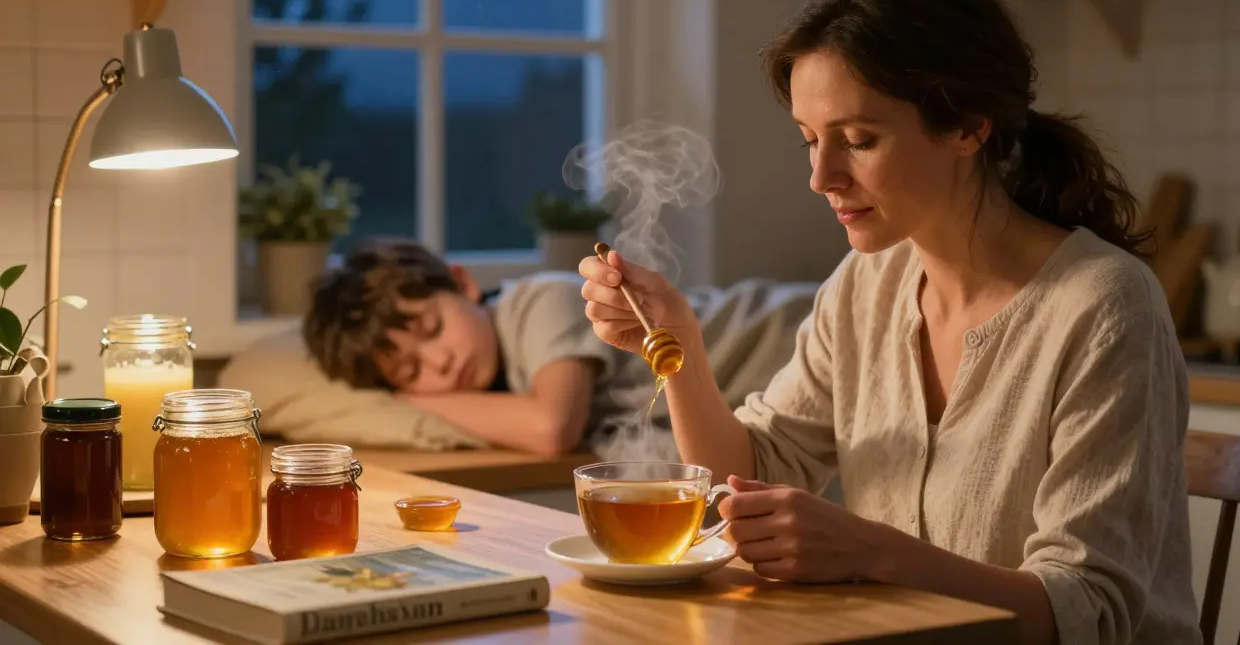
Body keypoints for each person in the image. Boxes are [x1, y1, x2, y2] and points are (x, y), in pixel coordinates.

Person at [578, 0, 1200, 645]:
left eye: (859, 140)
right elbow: (753, 472)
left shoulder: (1105, 306)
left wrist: (870, 551)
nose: (821, 177)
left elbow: (1089, 610)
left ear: (968, 127)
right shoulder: (865, 287)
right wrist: (681, 352)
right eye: (811, 141)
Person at [218, 238, 816, 460]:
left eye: (430, 330)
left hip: (794, 329)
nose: (441, 364)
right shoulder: (491, 377)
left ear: (463, 282)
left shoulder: (541, 301)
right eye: (410, 369)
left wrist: (405, 393)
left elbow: (551, 428)